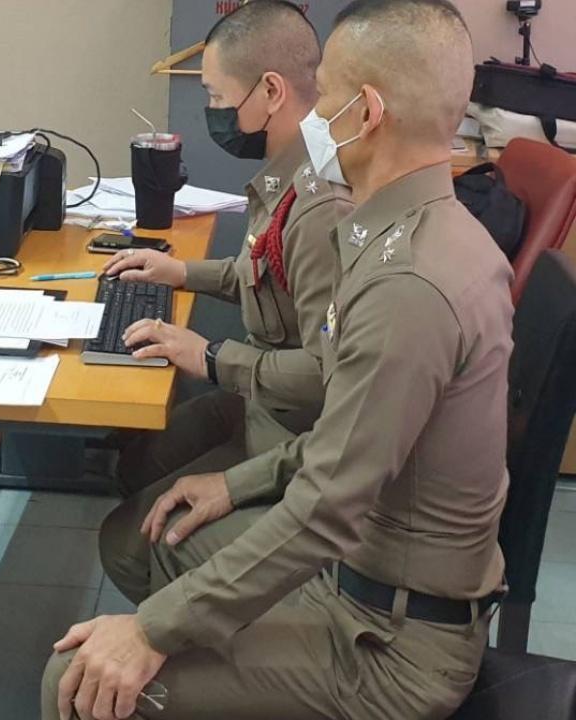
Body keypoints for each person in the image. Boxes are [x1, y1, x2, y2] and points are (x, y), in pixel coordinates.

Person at [42, 1, 513, 718]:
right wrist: (237, 484)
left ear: (367, 112)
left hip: (386, 643)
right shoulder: (419, 236)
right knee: (156, 542)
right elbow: (344, 441)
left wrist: (150, 631)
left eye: (325, 95)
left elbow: (327, 507)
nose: (314, 114)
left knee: (74, 684)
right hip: (366, 580)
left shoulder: (409, 285)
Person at [98, 0, 351, 603]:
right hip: (264, 404)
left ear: (271, 91)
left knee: (125, 544)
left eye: (217, 96)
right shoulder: (289, 172)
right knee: (137, 464)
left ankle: (223, 639)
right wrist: (180, 271)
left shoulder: (321, 205)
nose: (212, 111)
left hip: (296, 430)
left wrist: (211, 358)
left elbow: (330, 375)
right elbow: (266, 274)